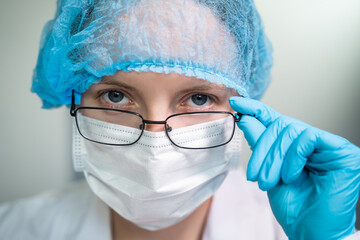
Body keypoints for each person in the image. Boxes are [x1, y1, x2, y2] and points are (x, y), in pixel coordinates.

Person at [0, 0, 359, 239]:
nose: (154, 141)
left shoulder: (285, 231)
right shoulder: (16, 228)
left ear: (241, 108)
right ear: (73, 98)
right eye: (116, 96)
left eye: (199, 98)